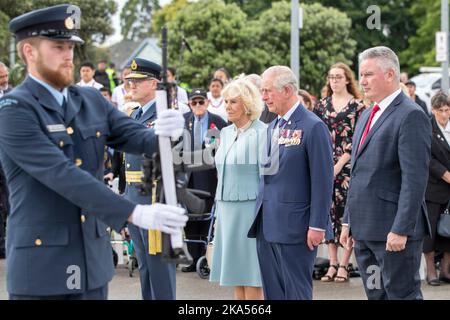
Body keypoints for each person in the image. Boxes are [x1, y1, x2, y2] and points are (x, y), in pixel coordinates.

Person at [0, 4, 187, 300]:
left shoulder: (88, 100)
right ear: (28, 52)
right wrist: (133, 212)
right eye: (57, 46)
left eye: (70, 46)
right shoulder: (14, 109)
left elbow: (137, 137)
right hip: (43, 267)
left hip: (92, 264)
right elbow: (62, 175)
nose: (67, 55)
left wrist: (167, 131)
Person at [340, 46, 432, 300]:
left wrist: (401, 229)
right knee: (376, 296)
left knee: (402, 296)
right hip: (365, 230)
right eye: (361, 74)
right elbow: (357, 172)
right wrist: (348, 220)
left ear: (390, 74)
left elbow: (414, 180)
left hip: (394, 232)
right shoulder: (368, 114)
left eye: (369, 74)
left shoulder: (411, 115)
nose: (362, 81)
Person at [248, 66, 334, 300]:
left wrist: (317, 225)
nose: (263, 97)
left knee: (296, 293)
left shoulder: (313, 126)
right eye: (261, 91)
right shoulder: (274, 125)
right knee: (273, 293)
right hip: (267, 225)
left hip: (295, 228)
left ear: (287, 90)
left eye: (267, 91)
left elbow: (323, 181)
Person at [122, 58, 178, 300]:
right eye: (129, 80)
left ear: (154, 84)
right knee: (145, 267)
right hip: (135, 198)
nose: (131, 84)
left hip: (156, 198)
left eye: (138, 80)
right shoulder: (134, 114)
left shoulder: (166, 116)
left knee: (159, 271)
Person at [210, 77, 266, 300]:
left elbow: (268, 178)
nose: (228, 107)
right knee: (235, 273)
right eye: (226, 102)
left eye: (234, 102)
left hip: (249, 210)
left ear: (248, 104)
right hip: (226, 209)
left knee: (251, 273)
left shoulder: (263, 132)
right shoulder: (224, 133)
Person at [313, 62, 365, 283]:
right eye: (331, 77)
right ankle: (332, 262)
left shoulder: (358, 107)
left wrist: (339, 164)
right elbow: (315, 135)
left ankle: (345, 263)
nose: (334, 80)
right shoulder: (321, 106)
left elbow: (358, 138)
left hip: (348, 167)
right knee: (328, 211)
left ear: (347, 80)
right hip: (324, 165)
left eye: (338, 77)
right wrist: (326, 165)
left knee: (346, 213)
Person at [181, 88, 227, 272]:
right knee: (190, 219)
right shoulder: (183, 121)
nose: (198, 105)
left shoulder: (217, 122)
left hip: (208, 177)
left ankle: (206, 257)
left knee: (207, 216)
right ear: (189, 104)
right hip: (188, 177)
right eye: (194, 102)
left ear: (207, 102)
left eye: (201, 102)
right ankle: (194, 258)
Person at [423, 91, 450, 286]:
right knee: (431, 231)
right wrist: (445, 174)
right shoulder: (427, 127)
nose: (444, 114)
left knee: (449, 230)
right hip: (434, 188)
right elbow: (426, 157)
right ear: (433, 110)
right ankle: (431, 271)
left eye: (448, 110)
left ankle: (446, 270)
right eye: (440, 110)